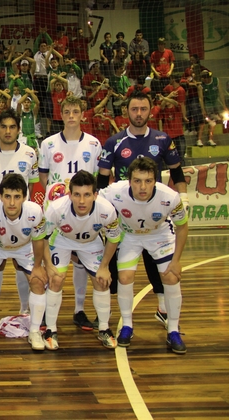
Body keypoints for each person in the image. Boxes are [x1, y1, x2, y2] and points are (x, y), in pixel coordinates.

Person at [97, 89, 189, 329]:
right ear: (126, 111)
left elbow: (177, 171)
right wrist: (102, 211)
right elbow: (102, 179)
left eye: (143, 109)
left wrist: (184, 197)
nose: (139, 113)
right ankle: (107, 309)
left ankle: (163, 308)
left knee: (156, 261)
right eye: (134, 109)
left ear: (150, 111)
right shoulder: (114, 142)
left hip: (153, 213)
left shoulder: (162, 139)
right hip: (124, 214)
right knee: (118, 266)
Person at [98, 157, 188, 354]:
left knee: (171, 277)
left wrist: (177, 261)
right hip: (129, 236)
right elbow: (93, 200)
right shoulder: (114, 192)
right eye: (137, 181)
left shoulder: (170, 197)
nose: (142, 186)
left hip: (159, 235)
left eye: (148, 181)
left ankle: (173, 330)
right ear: (129, 180)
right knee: (124, 277)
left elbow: (182, 227)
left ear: (155, 180)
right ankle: (127, 325)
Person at [38, 95, 103, 331]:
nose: (71, 116)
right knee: (53, 265)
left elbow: (98, 178)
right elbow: (44, 177)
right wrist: (57, 199)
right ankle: (46, 314)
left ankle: (79, 310)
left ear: (83, 115)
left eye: (76, 112)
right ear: (61, 114)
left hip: (84, 211)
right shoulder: (48, 144)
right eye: (67, 112)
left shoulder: (94, 144)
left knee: (82, 261)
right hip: (57, 213)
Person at [42, 171, 122, 350]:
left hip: (91, 242)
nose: (82, 201)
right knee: (56, 279)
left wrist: (104, 267)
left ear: (95, 195)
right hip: (62, 239)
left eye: (87, 195)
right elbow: (42, 238)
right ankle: (50, 329)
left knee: (102, 280)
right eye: (77, 195)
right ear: (69, 195)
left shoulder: (106, 210)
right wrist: (48, 265)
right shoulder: (56, 209)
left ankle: (104, 328)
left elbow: (113, 239)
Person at [0, 110, 38, 322]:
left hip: (21, 218)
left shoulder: (29, 153)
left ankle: (25, 309)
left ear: (19, 130)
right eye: (3, 127)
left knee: (22, 264)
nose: (8, 131)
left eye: (12, 127)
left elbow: (32, 185)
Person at [0, 173, 47, 350]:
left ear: (24, 197)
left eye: (17, 197)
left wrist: (38, 267)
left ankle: (34, 331)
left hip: (25, 247)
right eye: (7, 196)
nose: (11, 202)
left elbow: (39, 241)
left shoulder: (35, 211)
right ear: (0, 196)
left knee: (38, 281)